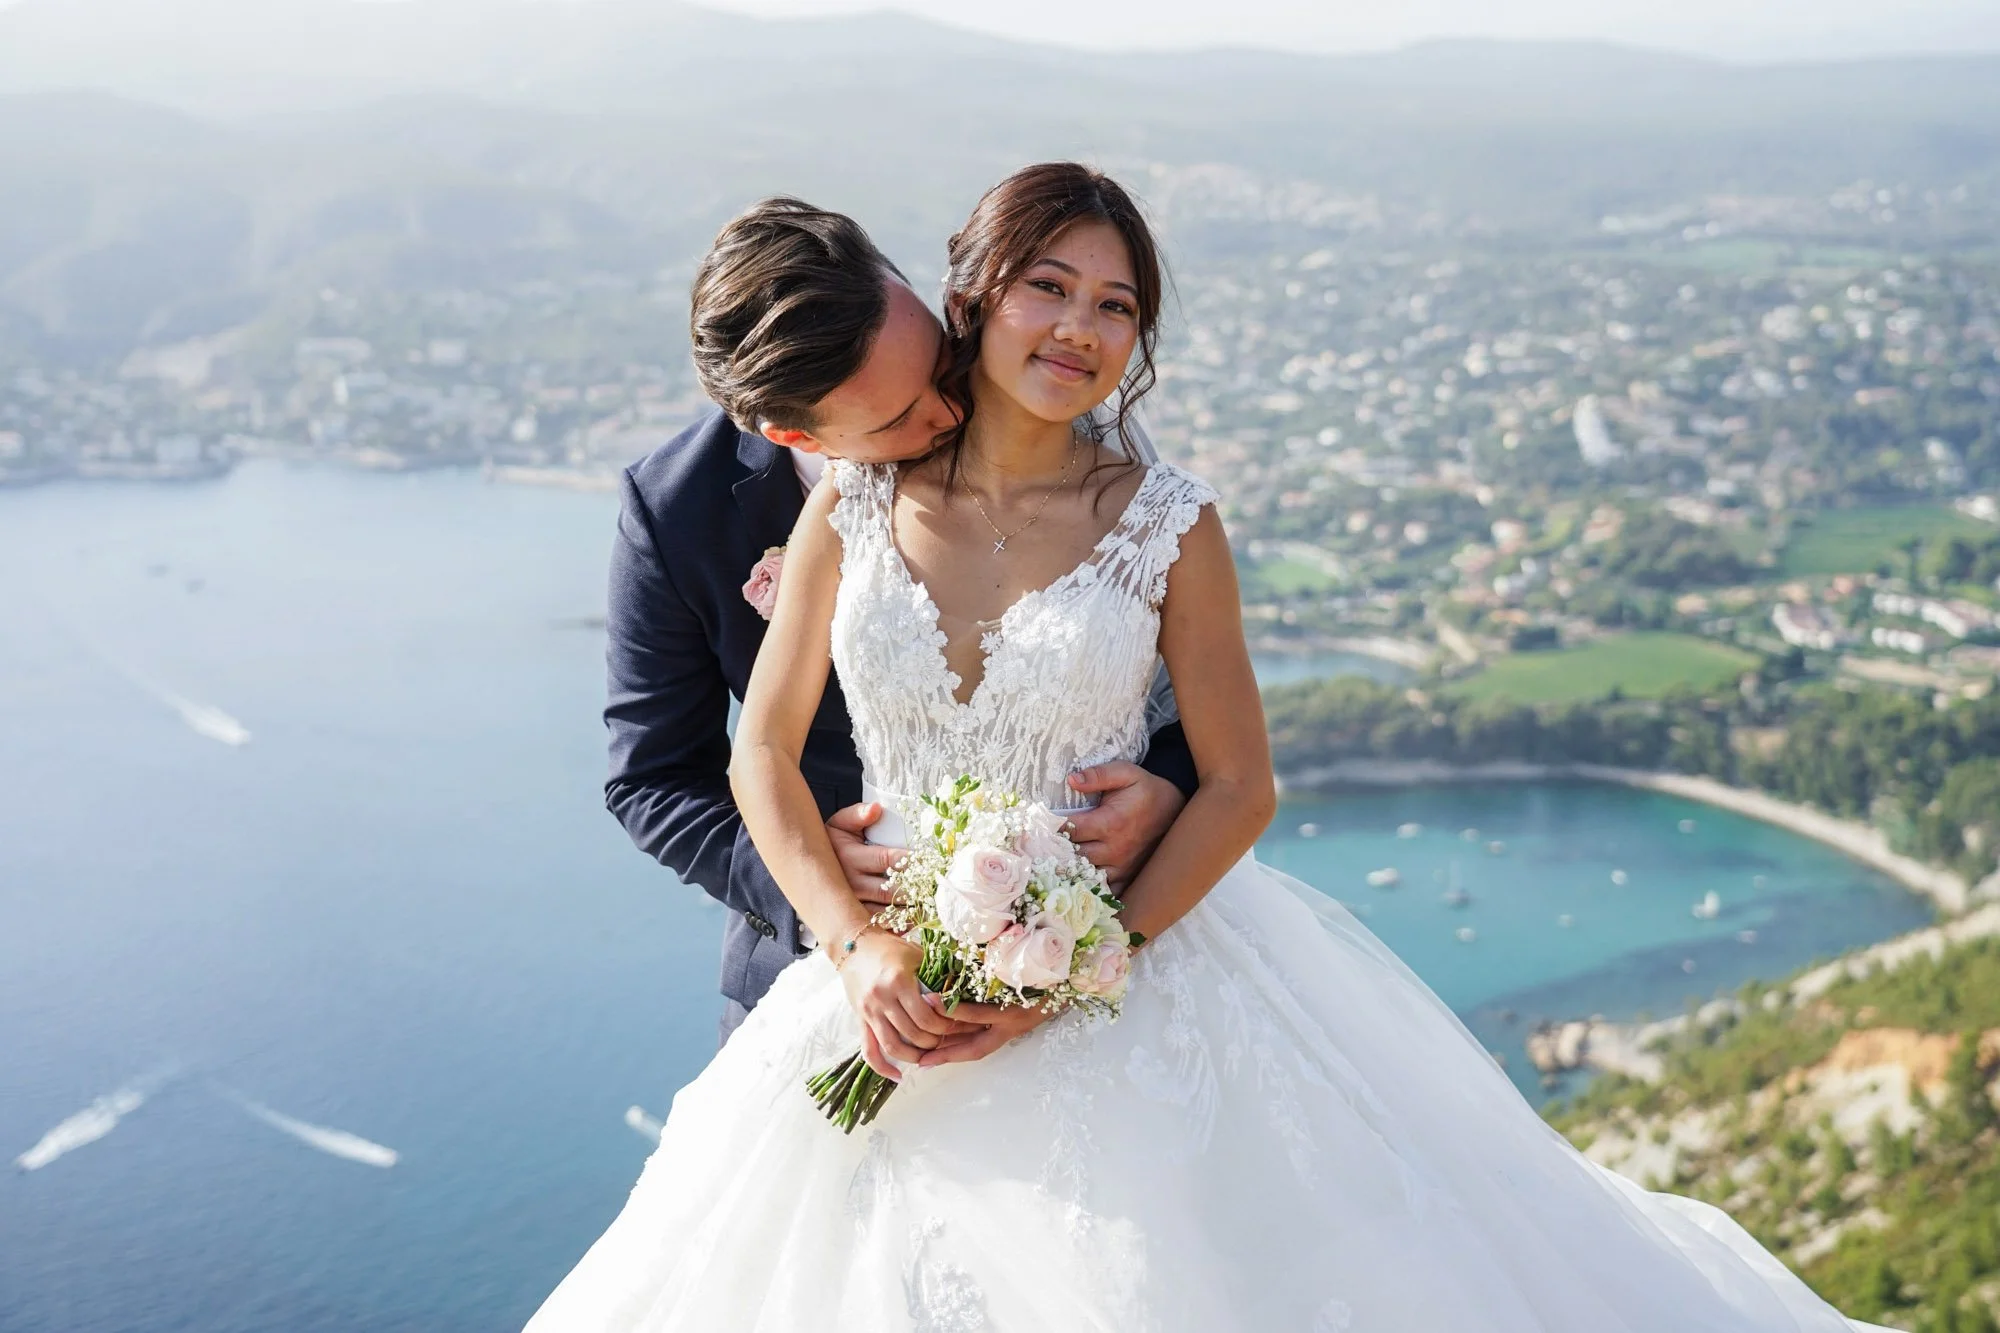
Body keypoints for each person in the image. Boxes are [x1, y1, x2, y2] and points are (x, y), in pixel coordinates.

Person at [531, 164, 1883, 1332]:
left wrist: (1096, 924)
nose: (944, 408)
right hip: (855, 985)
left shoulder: (1149, 505)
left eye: (1114, 305)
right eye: (1046, 290)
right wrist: (849, 930)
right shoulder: (796, 507)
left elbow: (1212, 752)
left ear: (935, 305)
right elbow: (701, 766)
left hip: (1118, 971)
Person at [601, 197, 1196, 1046]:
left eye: (939, 367)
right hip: (822, 979)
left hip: (1066, 941)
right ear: (797, 433)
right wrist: (828, 894)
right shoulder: (675, 511)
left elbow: (1168, 688)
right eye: (899, 416)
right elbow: (652, 779)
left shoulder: (1066, 430)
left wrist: (1165, 791)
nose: (950, 414)